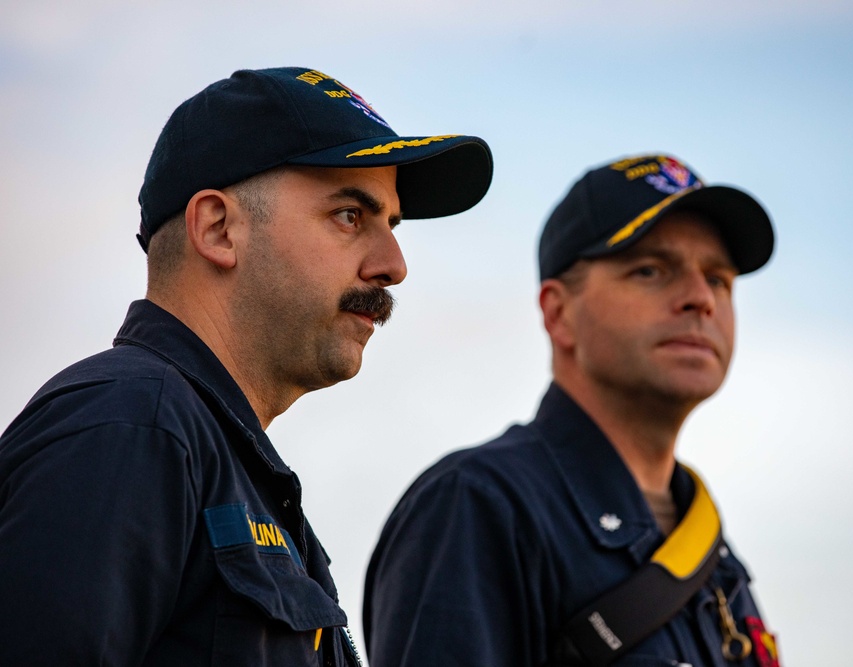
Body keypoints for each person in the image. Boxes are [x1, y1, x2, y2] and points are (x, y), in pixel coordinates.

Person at [0, 66, 492, 666]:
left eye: (390, 224)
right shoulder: (129, 425)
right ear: (218, 228)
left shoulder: (200, 449)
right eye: (350, 216)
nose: (394, 265)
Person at [364, 153, 781, 666]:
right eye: (651, 270)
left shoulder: (714, 553)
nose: (701, 298)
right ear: (558, 313)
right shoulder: (478, 507)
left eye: (718, 279)